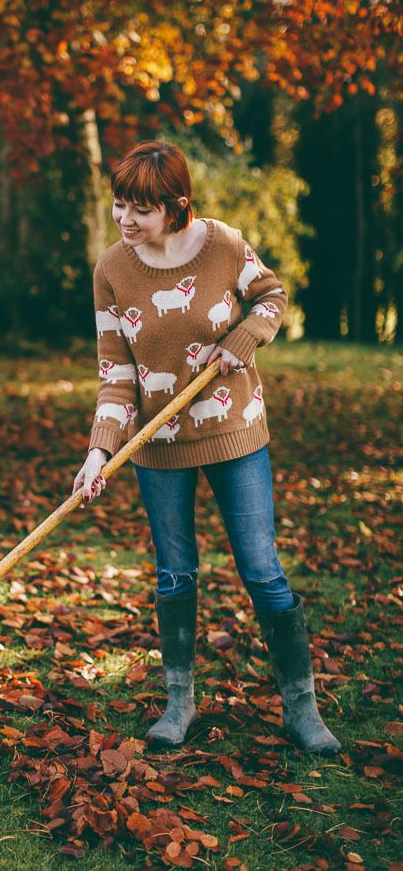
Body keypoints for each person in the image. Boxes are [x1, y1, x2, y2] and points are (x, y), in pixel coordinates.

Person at [72, 140, 340, 755]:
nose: (125, 220)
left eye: (139, 210)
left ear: (176, 206)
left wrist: (244, 338)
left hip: (235, 433)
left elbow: (272, 297)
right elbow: (115, 372)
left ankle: (302, 710)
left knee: (261, 569)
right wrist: (98, 452)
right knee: (174, 572)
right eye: (119, 206)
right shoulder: (113, 269)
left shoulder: (222, 245)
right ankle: (179, 703)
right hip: (158, 448)